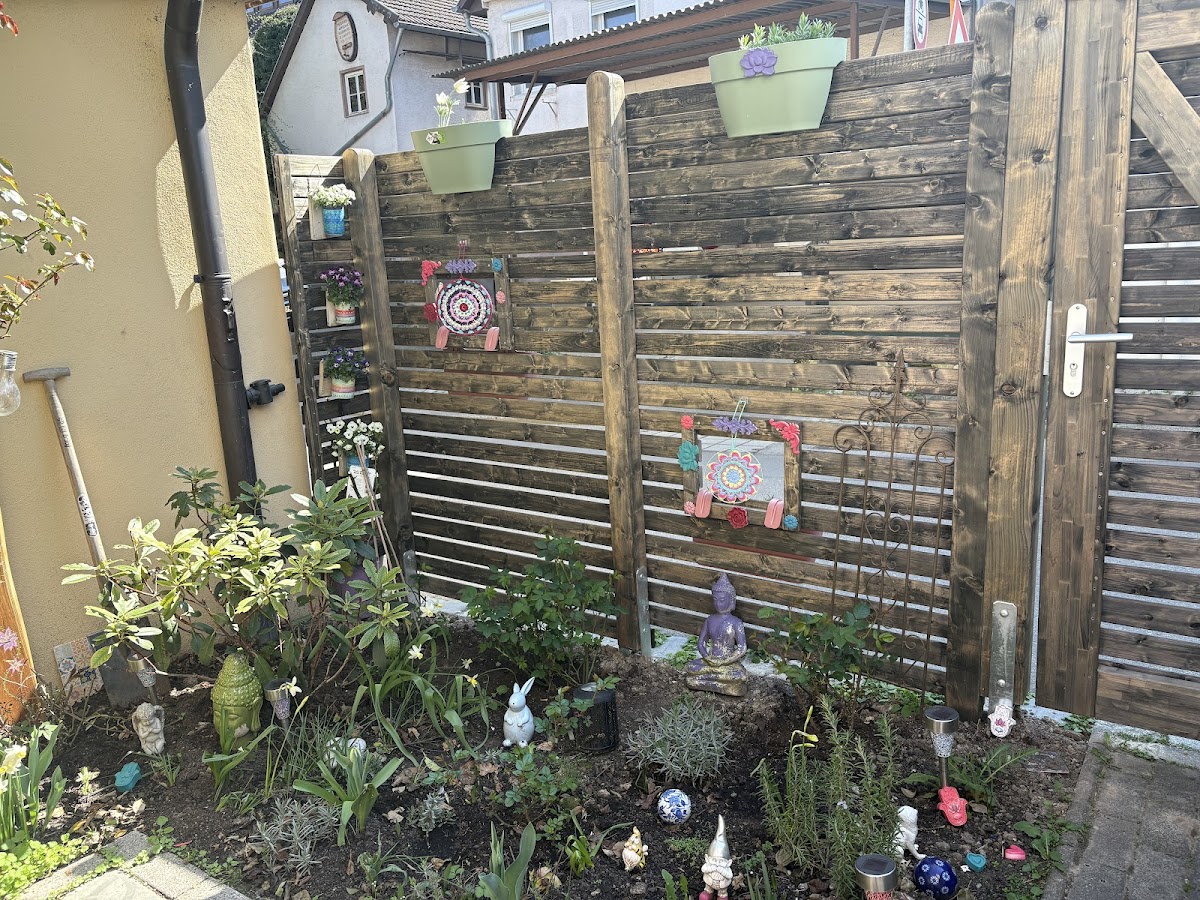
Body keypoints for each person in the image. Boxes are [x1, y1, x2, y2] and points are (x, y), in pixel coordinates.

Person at [685, 573, 749, 697]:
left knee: (738, 675)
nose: (718, 604)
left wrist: (724, 661)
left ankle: (706, 682)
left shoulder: (736, 622)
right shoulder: (710, 619)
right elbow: (701, 643)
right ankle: (722, 684)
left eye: (722, 600)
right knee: (691, 667)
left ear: (731, 600)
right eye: (715, 600)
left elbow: (742, 648)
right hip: (710, 661)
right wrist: (707, 657)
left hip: (728, 663)